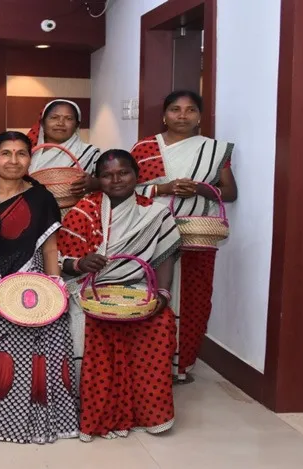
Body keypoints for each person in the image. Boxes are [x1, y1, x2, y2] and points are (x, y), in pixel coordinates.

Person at [0, 131, 78, 444]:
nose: (13, 160)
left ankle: (47, 419)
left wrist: (55, 292)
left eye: (21, 154)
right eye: (6, 153)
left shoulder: (41, 198)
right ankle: (5, 421)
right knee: (2, 359)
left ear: (29, 159)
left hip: (34, 283)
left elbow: (49, 248)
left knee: (45, 351)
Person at [59, 149, 181, 441]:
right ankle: (96, 409)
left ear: (137, 176)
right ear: (97, 179)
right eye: (107, 175)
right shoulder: (83, 210)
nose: (116, 180)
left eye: (123, 173)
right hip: (88, 289)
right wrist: (81, 263)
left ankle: (147, 413)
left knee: (160, 322)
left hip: (138, 289)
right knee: (86, 324)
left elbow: (165, 256)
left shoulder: (155, 213)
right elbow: (60, 260)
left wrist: (162, 295)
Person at [129, 90, 238, 381]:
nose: (182, 115)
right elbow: (125, 189)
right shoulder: (144, 148)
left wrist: (200, 188)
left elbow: (230, 192)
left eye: (190, 110)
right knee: (152, 293)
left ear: (199, 117)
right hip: (151, 233)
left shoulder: (213, 150)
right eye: (175, 110)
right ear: (164, 115)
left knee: (194, 298)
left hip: (196, 238)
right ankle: (150, 363)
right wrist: (164, 189)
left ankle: (182, 364)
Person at [27, 99, 102, 196]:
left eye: (69, 118)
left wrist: (96, 183)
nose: (60, 123)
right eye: (54, 117)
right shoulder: (28, 152)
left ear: (77, 125)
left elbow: (111, 183)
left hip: (74, 210)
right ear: (42, 123)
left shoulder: (90, 153)